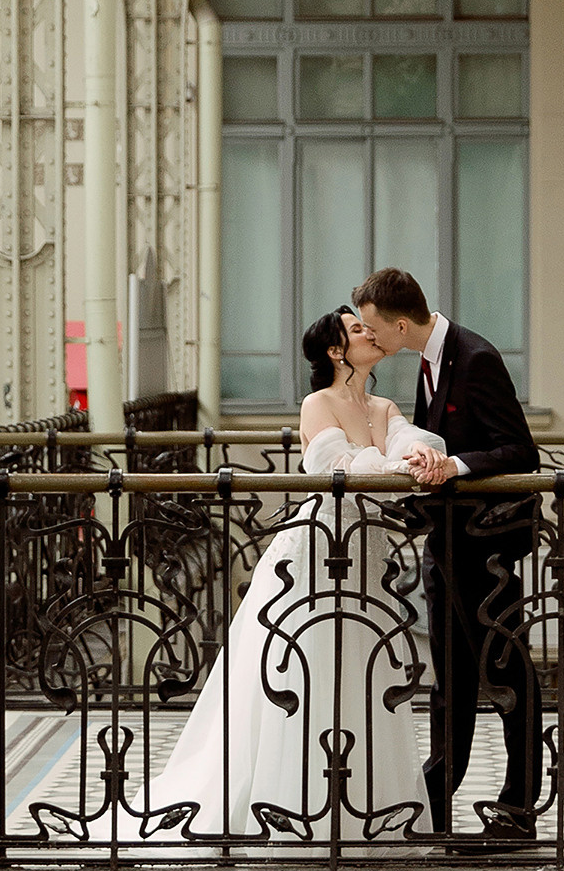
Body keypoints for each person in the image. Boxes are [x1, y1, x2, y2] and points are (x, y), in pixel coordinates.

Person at [140, 306, 447, 841]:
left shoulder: (383, 406)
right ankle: (291, 808)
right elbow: (340, 466)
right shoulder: (317, 403)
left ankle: (363, 810)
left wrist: (420, 453)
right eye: (357, 329)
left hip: (367, 555)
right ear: (335, 351)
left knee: (363, 671)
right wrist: (402, 466)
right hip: (317, 552)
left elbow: (409, 441)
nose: (370, 333)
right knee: (305, 670)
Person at [351, 267, 542, 835]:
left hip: (486, 550)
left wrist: (452, 466)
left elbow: (519, 450)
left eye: (371, 327)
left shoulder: (475, 357)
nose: (368, 336)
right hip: (446, 543)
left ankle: (519, 807)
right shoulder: (430, 360)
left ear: (400, 325)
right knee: (450, 681)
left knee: (506, 674)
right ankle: (437, 798)